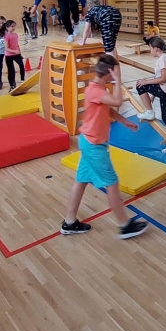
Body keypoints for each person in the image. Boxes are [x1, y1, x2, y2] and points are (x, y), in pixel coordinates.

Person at [60, 55, 148, 239]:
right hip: (94, 146)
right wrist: (118, 80)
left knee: (81, 181)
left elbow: (107, 108)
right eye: (114, 73)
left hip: (88, 142)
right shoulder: (95, 90)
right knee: (112, 184)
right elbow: (117, 101)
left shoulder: (99, 89)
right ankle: (124, 226)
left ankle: (69, 222)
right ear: (109, 73)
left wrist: (123, 121)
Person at [135, 37, 166, 148]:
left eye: (150, 48)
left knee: (140, 85)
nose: (150, 50)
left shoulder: (163, 59)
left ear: (156, 49)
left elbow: (163, 79)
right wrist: (153, 96)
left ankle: (149, 112)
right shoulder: (165, 57)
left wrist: (146, 82)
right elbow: (158, 79)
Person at [3, 19, 26, 90]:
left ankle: (22, 80)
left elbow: (17, 45)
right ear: (7, 27)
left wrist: (20, 53)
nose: (13, 28)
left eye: (14, 26)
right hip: (9, 55)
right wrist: (14, 51)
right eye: (12, 26)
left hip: (16, 54)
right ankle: (12, 85)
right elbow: (6, 48)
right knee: (11, 71)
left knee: (21, 65)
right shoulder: (6, 36)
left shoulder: (15, 35)